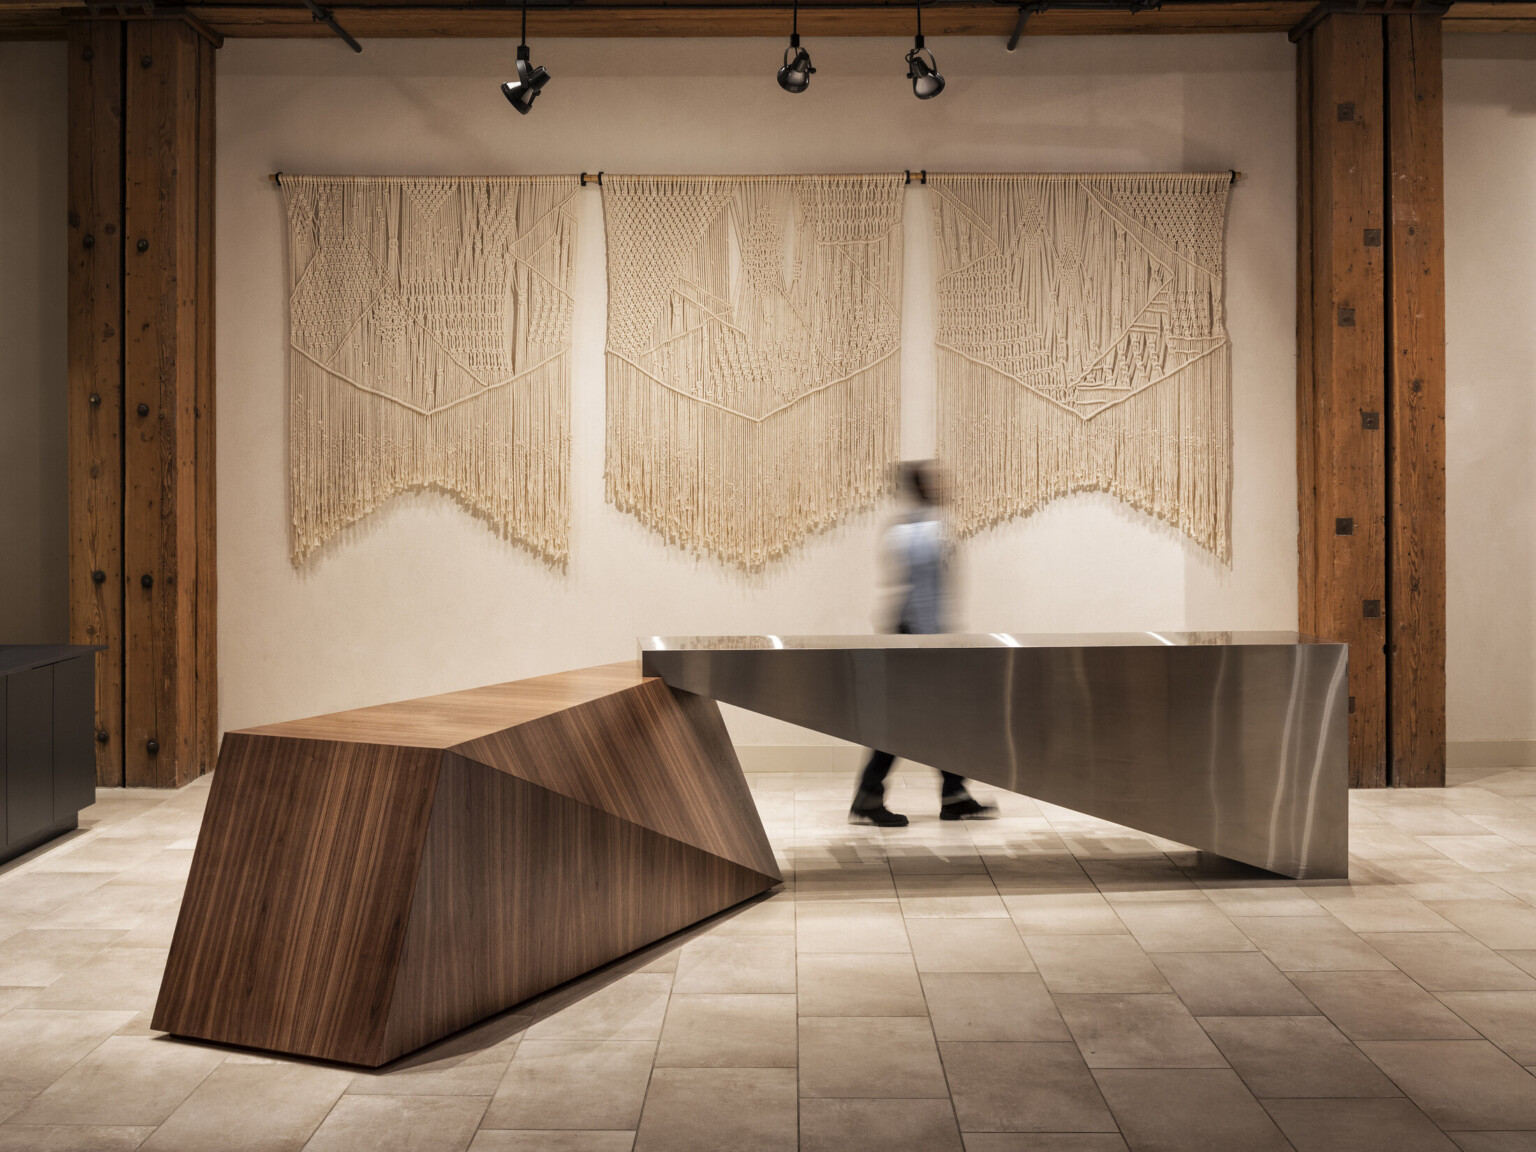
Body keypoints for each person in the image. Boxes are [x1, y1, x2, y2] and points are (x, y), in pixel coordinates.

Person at [849, 461, 997, 827]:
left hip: (915, 633)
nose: (946, 485)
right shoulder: (928, 531)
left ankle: (953, 793)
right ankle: (871, 796)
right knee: (909, 720)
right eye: (937, 480)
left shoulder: (907, 527)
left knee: (940, 717)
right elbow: (926, 594)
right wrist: (936, 643)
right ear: (923, 486)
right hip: (921, 636)